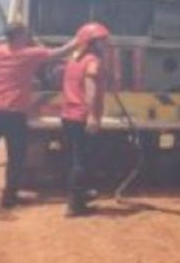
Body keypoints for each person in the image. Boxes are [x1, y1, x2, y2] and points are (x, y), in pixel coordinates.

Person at [0, 22, 76, 208]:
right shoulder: (29, 54)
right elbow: (60, 53)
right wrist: (81, 39)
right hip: (13, 114)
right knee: (16, 156)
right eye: (26, 33)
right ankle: (9, 198)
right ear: (20, 35)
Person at [61, 22, 111, 218]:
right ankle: (75, 206)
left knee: (76, 158)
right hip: (82, 116)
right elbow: (89, 89)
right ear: (92, 43)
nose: (105, 45)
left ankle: (78, 198)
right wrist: (92, 115)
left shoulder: (73, 60)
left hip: (68, 115)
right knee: (82, 160)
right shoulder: (92, 61)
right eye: (102, 42)